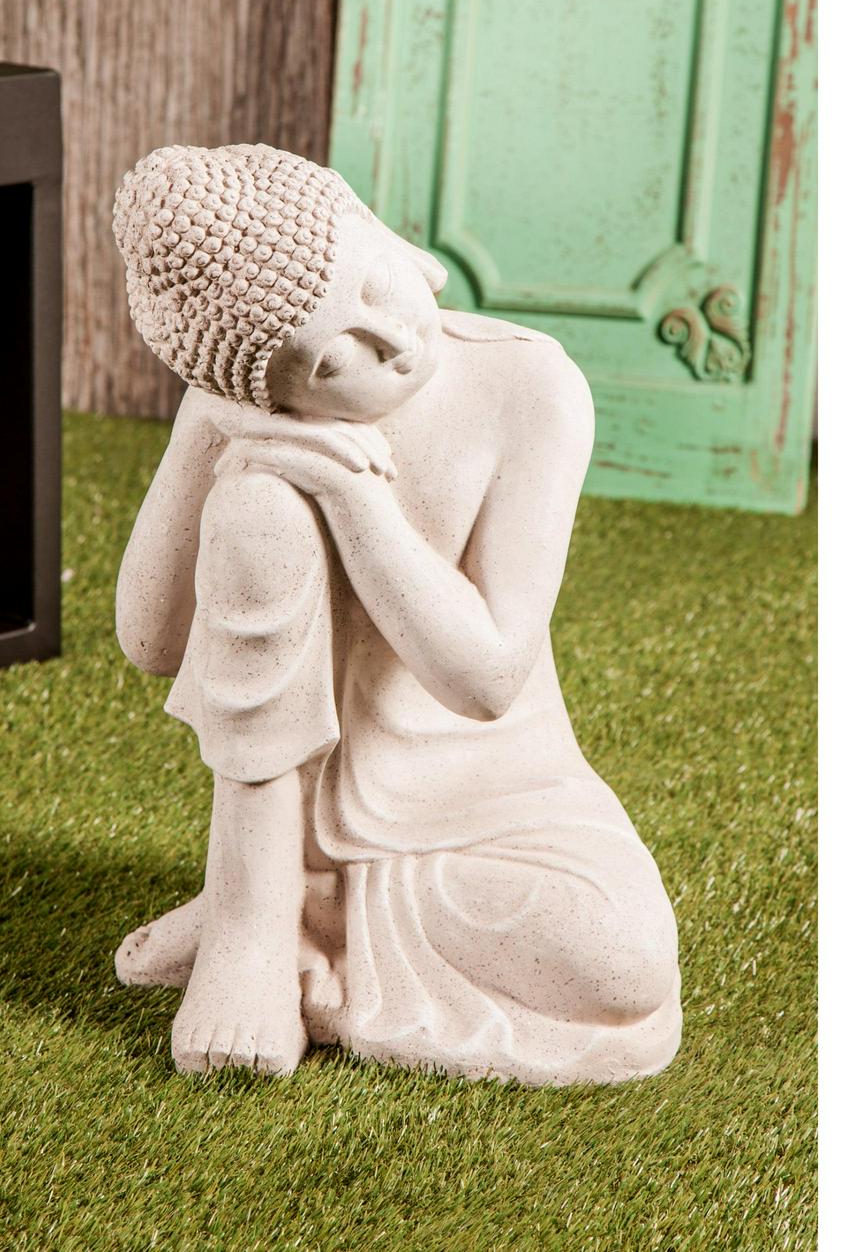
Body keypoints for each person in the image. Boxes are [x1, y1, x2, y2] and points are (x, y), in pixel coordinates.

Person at [110, 144, 681, 1084]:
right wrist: (210, 423)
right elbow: (149, 639)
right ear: (267, 387)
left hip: (495, 799)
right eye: (336, 359)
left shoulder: (529, 386)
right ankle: (255, 926)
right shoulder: (248, 416)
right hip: (299, 804)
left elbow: (487, 679)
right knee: (257, 507)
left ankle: (304, 915)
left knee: (623, 964)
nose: (391, 340)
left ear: (386, 232)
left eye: (376, 284)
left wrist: (355, 497)